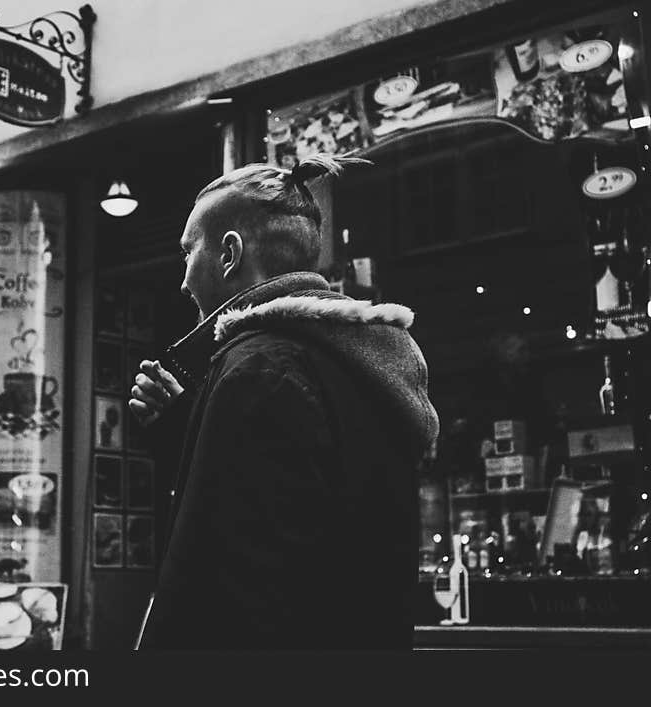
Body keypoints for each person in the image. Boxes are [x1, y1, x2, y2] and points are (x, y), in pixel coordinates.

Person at [129, 153, 439, 650]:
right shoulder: (357, 364)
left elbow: (229, 585)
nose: (183, 279)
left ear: (229, 254)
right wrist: (186, 425)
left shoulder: (259, 371)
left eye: (189, 252)